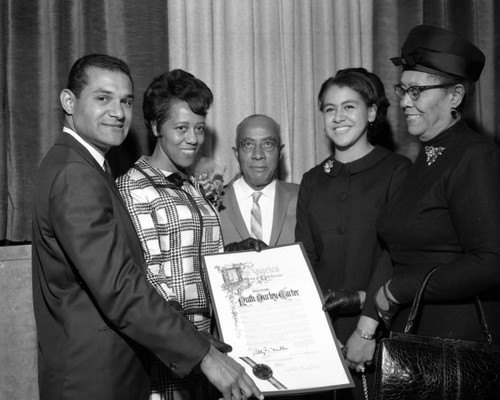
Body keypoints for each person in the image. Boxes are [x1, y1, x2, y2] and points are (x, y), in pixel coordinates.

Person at [32, 55, 263, 400]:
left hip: (120, 366)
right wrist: (203, 353)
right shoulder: (76, 174)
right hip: (97, 376)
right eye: (102, 98)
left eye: (125, 100)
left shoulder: (86, 166)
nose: (119, 112)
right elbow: (121, 286)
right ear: (69, 102)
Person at [347, 24, 500, 376]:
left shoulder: (475, 156)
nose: (403, 102)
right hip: (416, 343)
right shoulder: (428, 155)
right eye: (403, 89)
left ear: (455, 96)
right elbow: (397, 250)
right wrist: (366, 326)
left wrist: (398, 290)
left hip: (458, 351)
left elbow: (491, 262)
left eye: (416, 91)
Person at [116, 69, 266, 400]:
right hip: (168, 346)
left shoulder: (191, 185)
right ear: (156, 127)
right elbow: (149, 275)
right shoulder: (133, 188)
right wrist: (191, 344)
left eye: (199, 128)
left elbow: (195, 256)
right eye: (181, 128)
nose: (194, 139)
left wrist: (235, 253)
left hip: (210, 342)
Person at [295, 68, 411, 400]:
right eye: (329, 109)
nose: (338, 117)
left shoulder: (398, 171)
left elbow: (396, 256)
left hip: (380, 333)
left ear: (372, 111)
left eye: (349, 106)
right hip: (323, 337)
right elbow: (306, 259)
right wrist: (317, 334)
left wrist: (367, 328)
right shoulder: (313, 180)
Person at [219, 114, 299, 247]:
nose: (258, 155)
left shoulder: (304, 197)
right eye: (248, 144)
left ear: (280, 152)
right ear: (236, 153)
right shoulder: (211, 203)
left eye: (268, 144)